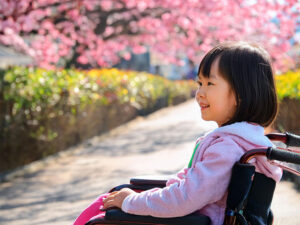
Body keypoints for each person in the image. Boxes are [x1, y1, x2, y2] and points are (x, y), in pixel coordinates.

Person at [72, 42, 282, 225]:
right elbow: (189, 186)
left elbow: (186, 198)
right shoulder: (247, 142)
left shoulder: (227, 148)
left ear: (241, 94)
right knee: (108, 199)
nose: (200, 92)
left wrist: (130, 201)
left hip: (188, 219)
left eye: (210, 83)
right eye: (199, 83)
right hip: (188, 216)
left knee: (103, 210)